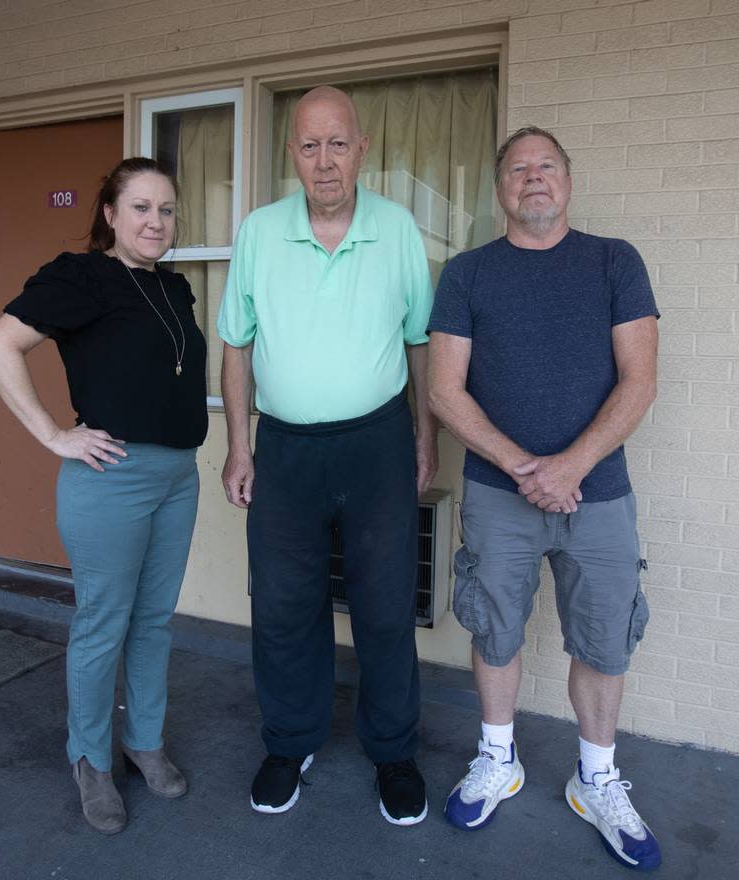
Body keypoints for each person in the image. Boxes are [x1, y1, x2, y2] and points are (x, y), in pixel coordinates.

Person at [427, 126, 661, 870]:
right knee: (494, 628)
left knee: (603, 636)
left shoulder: (614, 262)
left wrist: (570, 467)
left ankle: (596, 779)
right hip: (500, 494)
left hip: (600, 497)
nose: (534, 178)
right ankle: (499, 759)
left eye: (547, 167)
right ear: (500, 189)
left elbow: (640, 380)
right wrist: (526, 466)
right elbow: (443, 390)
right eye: (519, 168)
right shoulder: (467, 274)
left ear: (567, 182)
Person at [216, 86, 437, 825]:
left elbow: (419, 343)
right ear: (292, 156)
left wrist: (424, 440)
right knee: (283, 606)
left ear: (363, 149)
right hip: (284, 449)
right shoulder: (258, 232)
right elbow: (237, 346)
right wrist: (238, 447)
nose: (324, 161)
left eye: (337, 143)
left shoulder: (398, 229)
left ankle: (394, 752)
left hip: (377, 444)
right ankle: (290, 741)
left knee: (383, 607)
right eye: (309, 146)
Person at [0, 157, 208, 835]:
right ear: (110, 215)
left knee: (153, 620)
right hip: (112, 476)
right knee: (104, 622)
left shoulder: (175, 289)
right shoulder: (83, 277)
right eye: (140, 207)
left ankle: (143, 741)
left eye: (166, 210)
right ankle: (90, 758)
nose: (155, 221)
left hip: (178, 476)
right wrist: (54, 434)